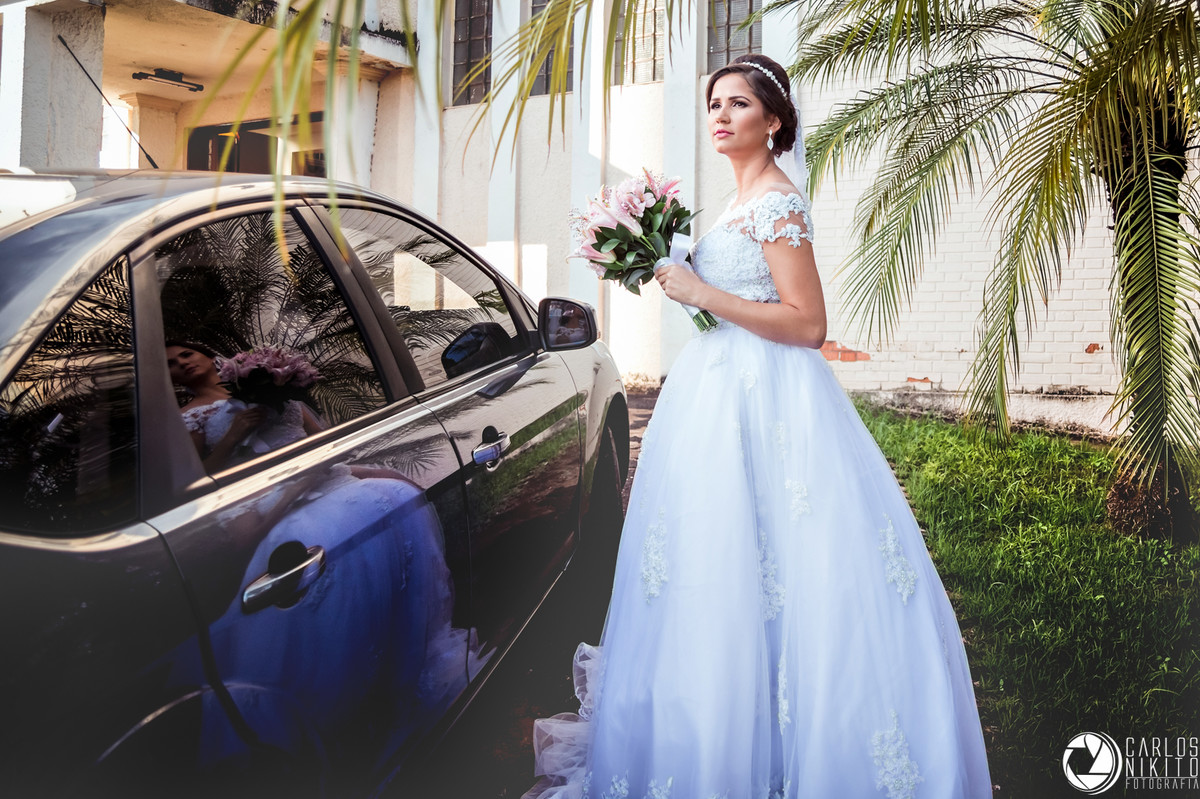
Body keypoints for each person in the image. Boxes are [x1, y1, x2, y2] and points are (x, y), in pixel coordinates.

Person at [524, 55, 993, 799]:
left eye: (738, 103)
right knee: (717, 563)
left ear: (773, 121)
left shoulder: (779, 202)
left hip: (771, 400)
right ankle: (716, 736)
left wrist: (702, 288)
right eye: (713, 102)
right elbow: (731, 303)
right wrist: (675, 275)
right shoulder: (738, 203)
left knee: (786, 563)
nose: (720, 114)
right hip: (713, 399)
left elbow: (807, 323)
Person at [166, 341, 324, 471]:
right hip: (259, 491)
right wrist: (232, 437)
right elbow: (196, 480)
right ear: (169, 377)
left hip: (316, 468)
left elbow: (318, 437)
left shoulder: (271, 381)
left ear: (212, 358)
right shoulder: (187, 418)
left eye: (186, 354)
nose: (182, 363)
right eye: (170, 364)